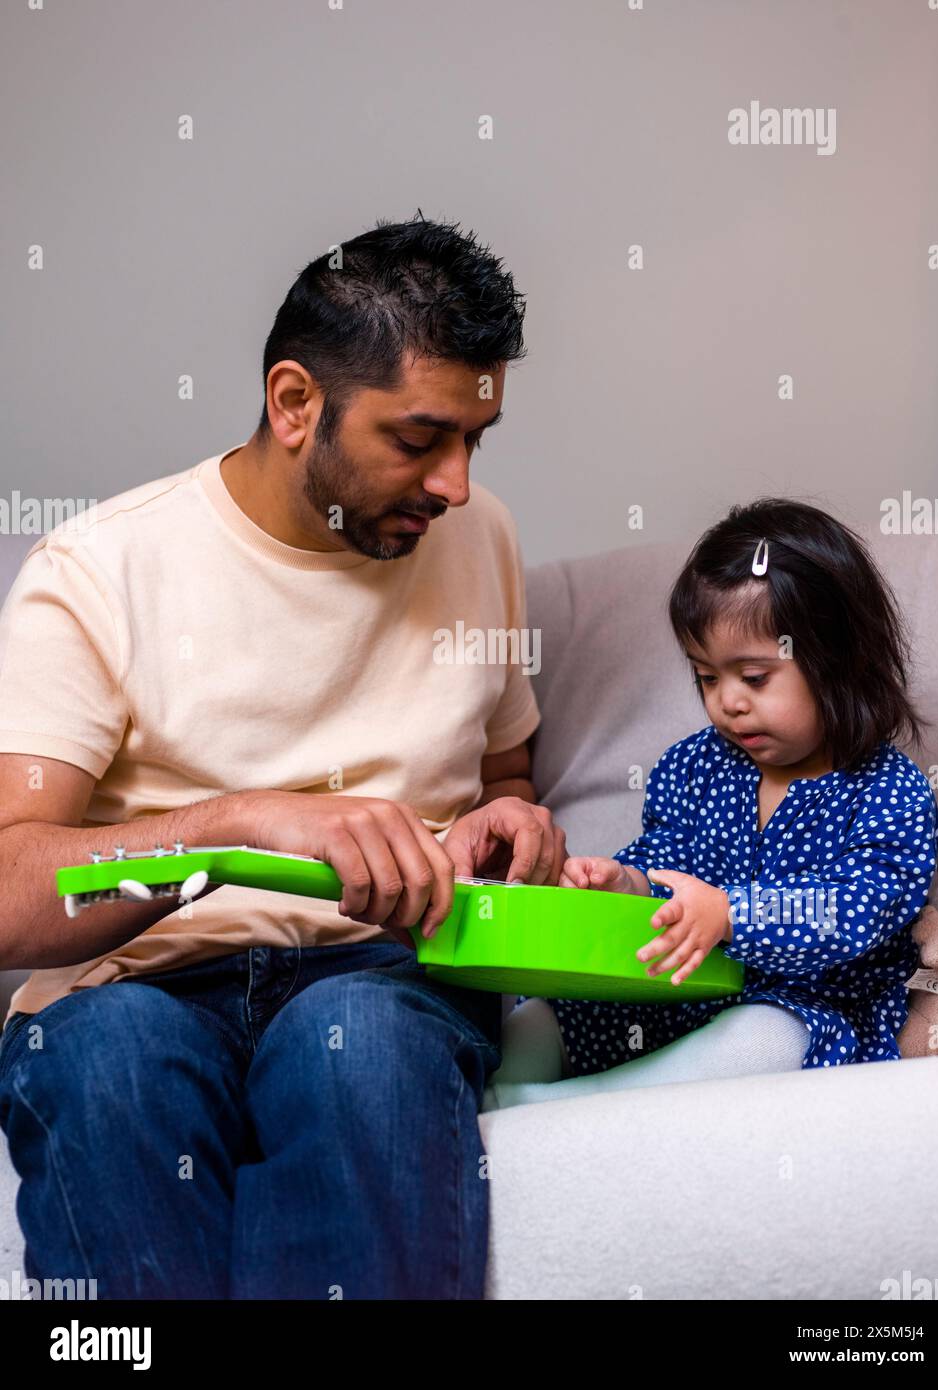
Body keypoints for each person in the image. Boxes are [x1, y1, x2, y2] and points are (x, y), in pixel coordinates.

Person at [0, 213, 567, 1299]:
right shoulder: (96, 569)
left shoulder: (478, 533)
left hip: (382, 972)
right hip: (142, 976)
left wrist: (510, 829)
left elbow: (504, 776)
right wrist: (235, 826)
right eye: (417, 439)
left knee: (354, 1037)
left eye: (472, 442)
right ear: (296, 403)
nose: (452, 483)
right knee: (111, 1053)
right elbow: (10, 890)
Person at [484, 498, 938, 1109]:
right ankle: (504, 1091)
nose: (728, 702)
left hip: (807, 1002)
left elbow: (859, 910)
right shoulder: (692, 766)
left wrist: (733, 915)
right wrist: (626, 884)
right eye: (706, 677)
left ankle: (585, 1106)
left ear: (841, 663)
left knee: (764, 1038)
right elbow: (665, 864)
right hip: (681, 989)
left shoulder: (891, 788)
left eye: (754, 678)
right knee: (550, 1011)